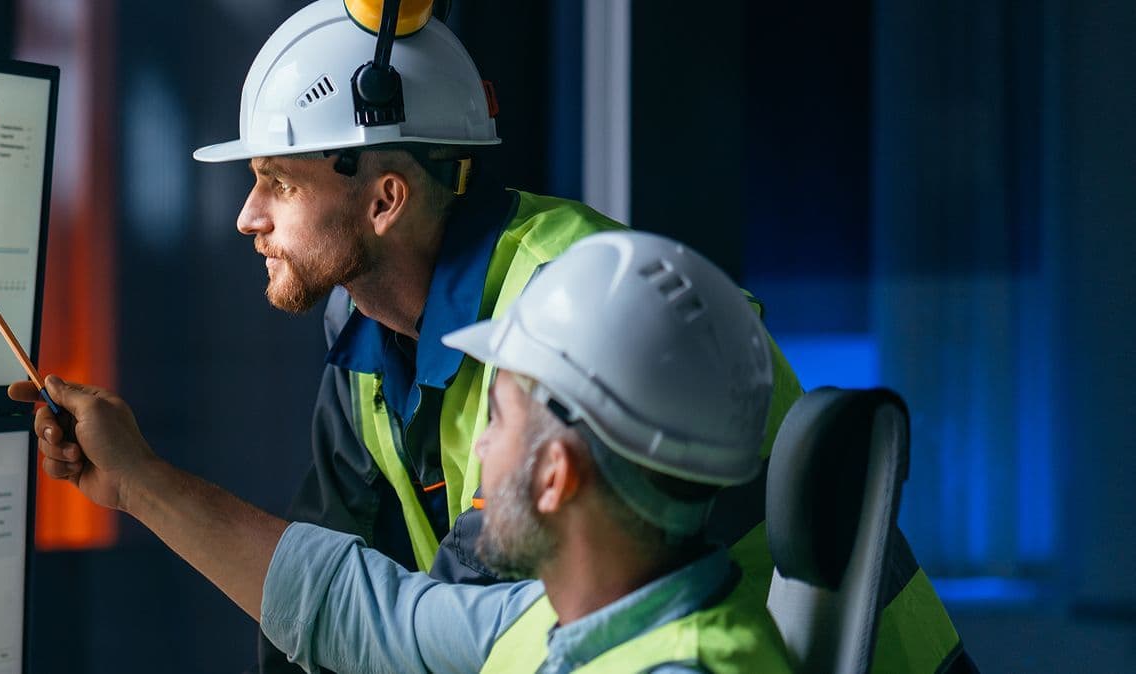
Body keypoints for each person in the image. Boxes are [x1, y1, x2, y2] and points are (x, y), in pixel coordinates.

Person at [194, 1, 968, 671]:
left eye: (280, 182)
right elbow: (314, 582)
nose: (248, 216)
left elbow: (452, 624)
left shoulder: (571, 308)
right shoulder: (363, 333)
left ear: (385, 199)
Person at [14, 232, 796, 671]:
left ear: (557, 475)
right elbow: (353, 608)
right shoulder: (567, 617)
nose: (479, 445)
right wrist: (138, 481)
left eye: (497, 416)